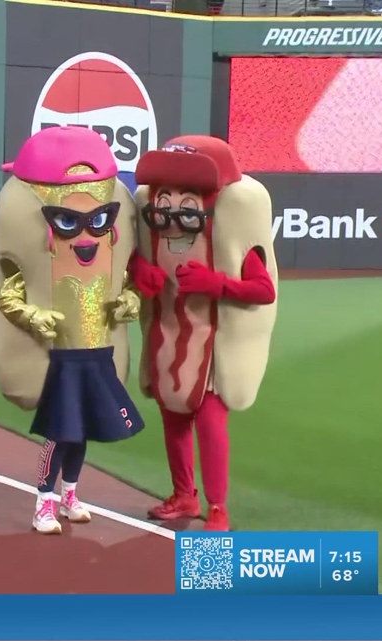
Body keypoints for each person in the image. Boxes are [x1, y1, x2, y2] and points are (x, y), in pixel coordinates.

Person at [0, 126, 145, 535]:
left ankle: (71, 495)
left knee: (83, 430)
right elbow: (8, 294)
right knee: (60, 432)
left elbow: (127, 284)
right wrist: (33, 317)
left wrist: (130, 302)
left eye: (99, 220)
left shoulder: (112, 249)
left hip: (99, 351)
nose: (87, 234)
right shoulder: (34, 245)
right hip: (62, 356)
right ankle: (44, 502)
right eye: (68, 221)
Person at [129, 135, 279, 532]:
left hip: (214, 346)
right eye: (166, 201)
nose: (175, 212)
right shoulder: (152, 233)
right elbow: (134, 264)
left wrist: (218, 283)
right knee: (173, 418)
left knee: (210, 425)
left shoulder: (230, 237)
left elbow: (264, 290)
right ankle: (184, 496)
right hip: (168, 336)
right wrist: (137, 272)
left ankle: (218, 507)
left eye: (188, 202)